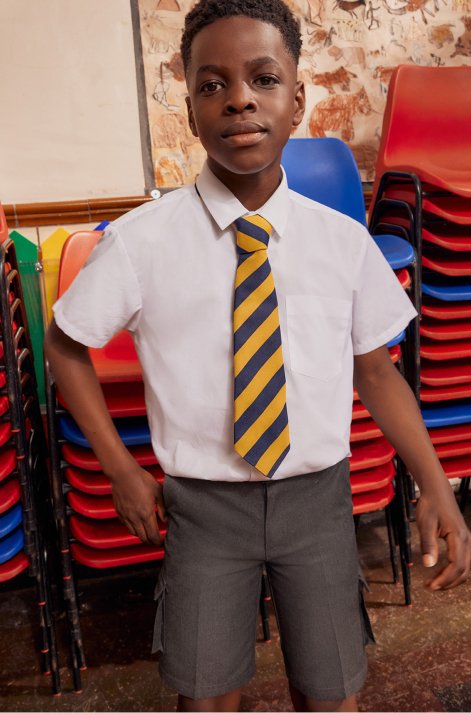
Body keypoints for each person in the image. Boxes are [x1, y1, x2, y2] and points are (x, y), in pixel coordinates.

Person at [44, 1, 471, 711]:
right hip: (202, 509)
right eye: (211, 85)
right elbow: (64, 342)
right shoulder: (142, 241)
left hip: (317, 503)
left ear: (297, 99)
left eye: (262, 78)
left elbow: (375, 370)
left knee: (331, 688)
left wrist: (433, 482)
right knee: (205, 693)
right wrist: (119, 468)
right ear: (189, 110)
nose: (238, 97)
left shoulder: (340, 243)